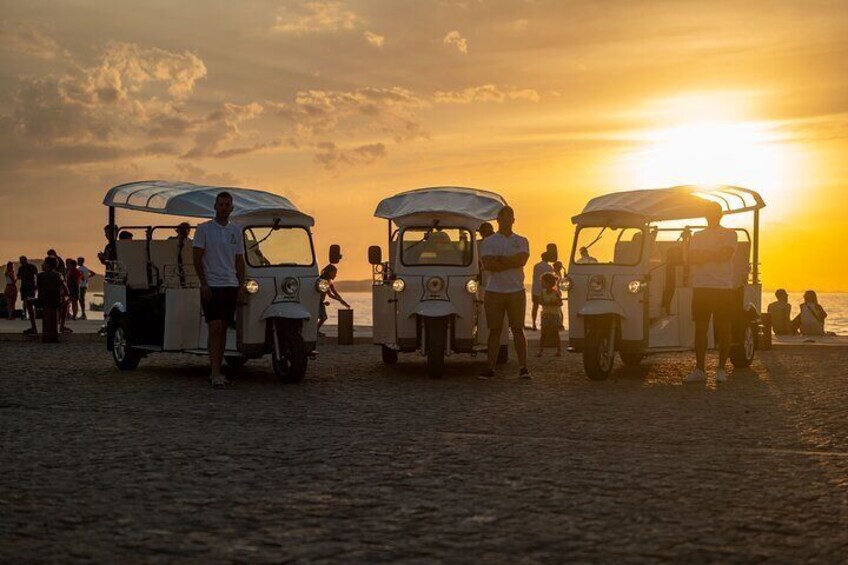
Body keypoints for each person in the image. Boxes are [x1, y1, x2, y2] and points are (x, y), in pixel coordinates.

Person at [193, 191, 246, 389]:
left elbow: (239, 260)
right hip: (212, 285)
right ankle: (214, 372)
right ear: (215, 206)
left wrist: (241, 286)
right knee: (214, 326)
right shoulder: (204, 229)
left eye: (227, 205)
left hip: (230, 285)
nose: (224, 207)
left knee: (223, 327)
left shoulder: (236, 231)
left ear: (232, 208)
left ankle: (218, 369)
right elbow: (197, 258)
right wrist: (204, 283)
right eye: (221, 204)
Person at [685, 203, 737, 384]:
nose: (711, 215)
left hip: (723, 287)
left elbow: (725, 255)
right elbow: (692, 258)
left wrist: (704, 256)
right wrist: (713, 254)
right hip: (701, 286)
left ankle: (721, 369)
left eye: (714, 213)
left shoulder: (730, 234)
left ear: (720, 214)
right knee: (700, 328)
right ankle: (700, 369)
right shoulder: (697, 236)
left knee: (724, 328)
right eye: (708, 212)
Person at [479, 205, 531, 380]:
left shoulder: (522, 240)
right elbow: (488, 264)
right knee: (494, 330)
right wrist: (510, 262)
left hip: (516, 291)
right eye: (503, 217)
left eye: (509, 217)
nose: (506, 220)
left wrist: (500, 261)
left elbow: (522, 260)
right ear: (498, 220)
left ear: (513, 220)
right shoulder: (489, 242)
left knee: (518, 329)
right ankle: (490, 367)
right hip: (494, 291)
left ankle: (523, 367)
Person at [36, 256, 66, 343]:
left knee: (46, 317)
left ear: (47, 265)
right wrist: (62, 296)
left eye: (44, 263)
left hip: (45, 300)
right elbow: (66, 290)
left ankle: (46, 337)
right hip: (56, 300)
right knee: (54, 317)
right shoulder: (59, 275)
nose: (42, 265)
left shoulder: (40, 275)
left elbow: (38, 289)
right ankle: (54, 337)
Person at [316, 264, 350, 337]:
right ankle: (315, 331)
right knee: (323, 317)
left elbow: (334, 292)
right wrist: (340, 300)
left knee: (322, 317)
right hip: (316, 301)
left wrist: (342, 301)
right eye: (334, 273)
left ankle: (315, 331)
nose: (335, 275)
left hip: (320, 302)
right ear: (329, 272)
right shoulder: (323, 280)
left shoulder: (329, 281)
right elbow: (330, 294)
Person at [536, 272, 563, 357]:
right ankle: (540, 350)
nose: (541, 283)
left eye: (543, 282)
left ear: (548, 282)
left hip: (554, 315)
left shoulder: (555, 293)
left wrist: (553, 303)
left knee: (555, 333)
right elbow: (540, 301)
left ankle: (559, 350)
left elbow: (560, 303)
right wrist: (545, 303)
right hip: (545, 314)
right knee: (543, 333)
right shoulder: (542, 292)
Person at [530, 251, 553, 331]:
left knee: (535, 307)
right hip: (545, 290)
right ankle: (545, 324)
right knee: (546, 307)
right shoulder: (549, 267)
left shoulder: (536, 266)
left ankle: (533, 324)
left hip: (535, 289)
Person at [17, 256, 38, 334]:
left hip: (29, 286)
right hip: (26, 287)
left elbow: (36, 275)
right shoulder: (22, 268)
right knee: (26, 301)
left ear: (25, 260)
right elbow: (19, 276)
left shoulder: (30, 267)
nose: (20, 262)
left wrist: (36, 285)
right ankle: (26, 314)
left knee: (30, 301)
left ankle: (31, 315)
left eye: (21, 261)